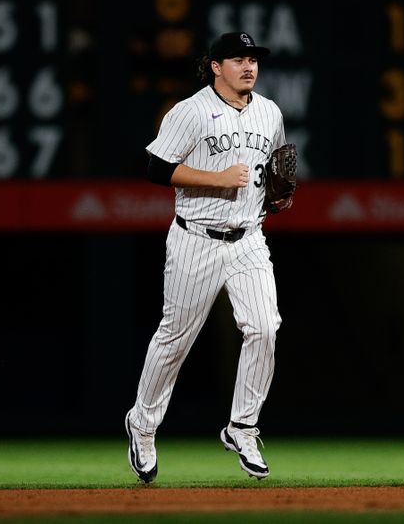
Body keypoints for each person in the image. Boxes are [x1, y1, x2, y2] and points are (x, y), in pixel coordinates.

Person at [125, 31, 292, 484]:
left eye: (253, 58)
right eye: (238, 58)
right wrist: (217, 179)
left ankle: (243, 427)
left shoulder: (270, 112)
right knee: (175, 339)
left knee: (264, 327)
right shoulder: (190, 111)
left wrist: (276, 195)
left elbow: (274, 168)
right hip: (194, 238)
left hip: (248, 239)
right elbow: (156, 168)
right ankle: (142, 424)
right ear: (216, 66)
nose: (249, 66)